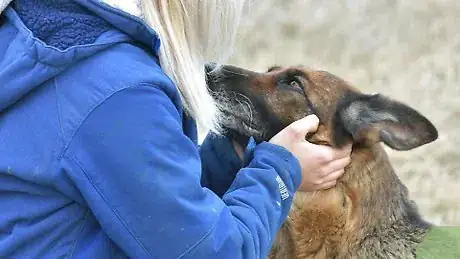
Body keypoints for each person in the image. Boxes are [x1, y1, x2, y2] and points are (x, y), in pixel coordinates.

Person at [0, 0, 352, 258]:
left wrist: (230, 156)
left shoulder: (41, 32)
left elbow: (137, 196)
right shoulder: (116, 89)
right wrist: (281, 170)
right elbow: (213, 254)